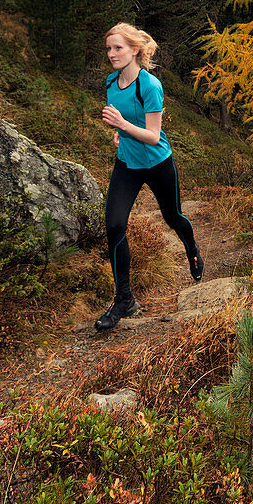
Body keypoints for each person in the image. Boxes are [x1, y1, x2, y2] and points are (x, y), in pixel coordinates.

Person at [95, 23, 204, 332]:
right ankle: (124, 300)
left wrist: (122, 126)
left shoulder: (150, 85)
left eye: (118, 48)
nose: (112, 54)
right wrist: (119, 133)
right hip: (127, 164)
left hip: (157, 163)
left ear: (135, 50)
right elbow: (125, 120)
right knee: (114, 225)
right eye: (109, 48)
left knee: (173, 216)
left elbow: (154, 136)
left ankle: (192, 249)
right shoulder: (111, 82)